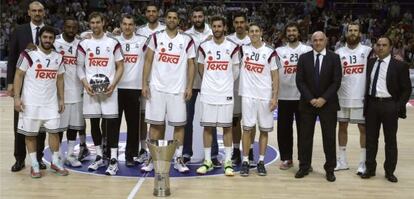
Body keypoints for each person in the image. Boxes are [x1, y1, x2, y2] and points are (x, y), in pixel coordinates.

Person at [141, 8, 196, 173]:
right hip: (157, 89)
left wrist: (189, 86)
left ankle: (178, 158)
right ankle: (152, 158)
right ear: (165, 19)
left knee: (179, 126)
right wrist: (144, 84)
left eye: (175, 18)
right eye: (169, 17)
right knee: (155, 125)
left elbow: (192, 64)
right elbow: (148, 61)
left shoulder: (187, 40)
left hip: (177, 90)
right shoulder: (156, 38)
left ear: (179, 21)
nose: (172, 20)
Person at [13, 26, 68, 178]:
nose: (48, 40)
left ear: (53, 40)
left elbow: (60, 79)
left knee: (54, 133)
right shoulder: (28, 55)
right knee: (30, 135)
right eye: (45, 37)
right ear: (40, 38)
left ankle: (56, 162)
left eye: (51, 38)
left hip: (50, 103)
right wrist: (17, 97)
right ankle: (35, 165)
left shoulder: (58, 57)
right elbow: (18, 75)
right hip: (30, 103)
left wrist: (62, 99)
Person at [77, 12, 124, 176]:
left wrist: (113, 84)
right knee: (94, 124)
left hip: (109, 90)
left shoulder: (113, 42)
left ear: (103, 23)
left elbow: (120, 66)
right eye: (92, 22)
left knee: (111, 125)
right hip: (90, 90)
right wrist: (85, 83)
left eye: (98, 22)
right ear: (89, 24)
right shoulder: (84, 43)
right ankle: (98, 156)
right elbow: (79, 67)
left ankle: (113, 159)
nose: (95, 25)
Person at [361, 36, 412, 183]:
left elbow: (406, 90)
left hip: (390, 105)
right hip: (372, 104)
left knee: (390, 141)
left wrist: (398, 106)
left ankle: (389, 171)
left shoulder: (400, 66)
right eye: (378, 45)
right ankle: (370, 169)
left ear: (390, 48)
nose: (381, 47)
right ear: (375, 47)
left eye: (384, 45)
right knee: (371, 140)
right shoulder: (370, 63)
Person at [196, 16, 240, 176]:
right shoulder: (204, 46)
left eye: (219, 26)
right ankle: (207, 161)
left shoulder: (233, 47)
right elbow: (200, 68)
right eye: (214, 26)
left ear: (224, 28)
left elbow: (236, 71)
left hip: (226, 93)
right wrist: (210, 81)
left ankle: (228, 161)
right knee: (208, 127)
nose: (216, 29)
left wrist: (224, 82)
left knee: (227, 127)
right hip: (208, 92)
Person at [295, 31, 342, 182]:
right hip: (308, 104)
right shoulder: (303, 58)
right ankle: (304, 166)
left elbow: (336, 81)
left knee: (329, 138)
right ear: (311, 41)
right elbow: (300, 81)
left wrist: (323, 99)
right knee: (305, 137)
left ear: (326, 41)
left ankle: (330, 169)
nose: (318, 43)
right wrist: (311, 99)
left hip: (328, 104)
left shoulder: (334, 58)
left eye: (321, 40)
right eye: (315, 40)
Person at [7, 1, 47, 172]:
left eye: (40, 11)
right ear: (29, 13)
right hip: (23, 84)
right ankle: (20, 158)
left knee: (41, 125)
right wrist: (10, 83)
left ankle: (38, 158)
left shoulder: (52, 31)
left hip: (44, 86)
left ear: (44, 13)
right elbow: (12, 58)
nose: (37, 13)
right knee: (20, 123)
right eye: (34, 11)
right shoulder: (19, 31)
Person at [239, 23, 280, 177]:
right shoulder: (243, 49)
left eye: (257, 31)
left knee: (264, 130)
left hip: (264, 96)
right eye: (252, 31)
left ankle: (261, 162)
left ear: (261, 32)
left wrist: (275, 97)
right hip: (248, 95)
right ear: (248, 33)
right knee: (247, 129)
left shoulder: (270, 51)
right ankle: (245, 161)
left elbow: (275, 77)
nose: (254, 33)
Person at [183, 6, 221, 167]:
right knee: (187, 119)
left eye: (200, 16)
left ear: (204, 17)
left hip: (209, 82)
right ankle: (186, 153)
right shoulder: (185, 35)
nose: (198, 19)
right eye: (195, 17)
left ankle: (213, 155)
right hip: (191, 82)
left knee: (210, 120)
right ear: (192, 19)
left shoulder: (213, 33)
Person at [334, 22, 373, 175]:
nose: (353, 33)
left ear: (360, 34)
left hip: (361, 97)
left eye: (355, 30)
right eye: (350, 30)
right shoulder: (338, 52)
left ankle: (363, 162)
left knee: (363, 129)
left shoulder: (368, 51)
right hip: (342, 96)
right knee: (342, 126)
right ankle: (342, 160)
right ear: (346, 32)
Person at [275, 22, 312, 170]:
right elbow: (274, 73)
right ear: (285, 33)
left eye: (294, 30)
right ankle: (286, 158)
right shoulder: (278, 51)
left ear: (299, 33)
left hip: (303, 96)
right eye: (288, 31)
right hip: (284, 96)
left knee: (304, 132)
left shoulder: (307, 49)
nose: (291, 33)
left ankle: (305, 161)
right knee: (284, 130)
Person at [55, 17, 89, 167]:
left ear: (77, 29)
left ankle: (70, 154)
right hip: (59, 92)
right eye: (68, 27)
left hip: (77, 90)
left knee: (74, 126)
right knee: (59, 127)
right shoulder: (55, 42)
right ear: (63, 26)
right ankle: (58, 155)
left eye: (73, 28)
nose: (70, 30)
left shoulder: (81, 43)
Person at [114, 14, 148, 167]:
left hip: (134, 88)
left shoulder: (142, 41)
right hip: (116, 87)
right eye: (125, 24)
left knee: (133, 124)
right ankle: (111, 154)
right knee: (113, 123)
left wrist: (144, 84)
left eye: (130, 24)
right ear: (120, 25)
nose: (127, 27)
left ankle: (130, 155)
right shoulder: (114, 40)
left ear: (135, 26)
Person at [135, 3, 166, 163]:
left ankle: (159, 148)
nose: (152, 13)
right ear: (145, 13)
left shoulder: (166, 30)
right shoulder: (139, 31)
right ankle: (143, 148)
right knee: (142, 117)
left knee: (159, 119)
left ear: (158, 13)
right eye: (149, 11)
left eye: (154, 11)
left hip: (161, 80)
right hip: (145, 78)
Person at [226, 12, 253, 166]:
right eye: (236, 22)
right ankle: (236, 150)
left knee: (250, 122)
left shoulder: (254, 39)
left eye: (242, 22)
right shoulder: (228, 40)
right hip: (234, 87)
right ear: (233, 24)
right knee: (235, 120)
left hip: (251, 88)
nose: (239, 25)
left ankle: (249, 151)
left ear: (246, 23)